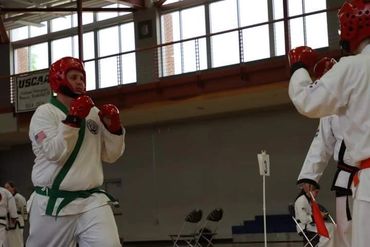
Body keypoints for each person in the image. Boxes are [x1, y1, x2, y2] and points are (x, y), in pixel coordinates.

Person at [288, 1, 370, 246]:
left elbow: (307, 101)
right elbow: (324, 136)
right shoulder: (349, 70)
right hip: (351, 179)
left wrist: (300, 68)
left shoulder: (353, 68)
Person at [26, 56, 126, 247]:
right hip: (53, 203)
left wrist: (114, 129)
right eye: (73, 77)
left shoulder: (93, 113)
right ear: (59, 79)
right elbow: (54, 152)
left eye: (81, 77)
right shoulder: (44, 113)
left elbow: (110, 155)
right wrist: (72, 119)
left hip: (92, 201)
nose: (80, 81)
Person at [296, 57, 356, 247]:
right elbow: (322, 141)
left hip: (362, 170)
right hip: (347, 178)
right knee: (346, 232)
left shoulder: (360, 89)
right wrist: (310, 177)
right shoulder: (329, 109)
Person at [4, 181, 27, 247]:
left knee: (18, 240)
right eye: (5, 188)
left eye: (8, 187)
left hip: (17, 222)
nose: (6, 189)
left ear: (13, 188)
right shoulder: (6, 198)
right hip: (9, 223)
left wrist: (24, 218)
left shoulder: (19, 197)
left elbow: (24, 209)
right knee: (10, 241)